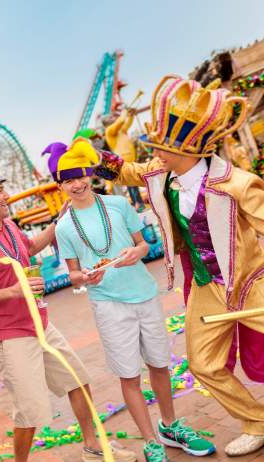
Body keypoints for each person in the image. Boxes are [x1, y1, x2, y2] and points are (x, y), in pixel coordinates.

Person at [95, 75, 264, 457]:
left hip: (251, 282)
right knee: (202, 364)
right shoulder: (162, 175)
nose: (155, 154)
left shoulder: (238, 184)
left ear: (187, 150)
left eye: (161, 148)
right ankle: (256, 421)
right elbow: (127, 171)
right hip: (207, 287)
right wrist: (95, 160)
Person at [44, 138, 215, 461]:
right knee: (129, 374)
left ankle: (170, 425)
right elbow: (74, 274)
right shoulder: (63, 227)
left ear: (90, 174)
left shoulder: (119, 205)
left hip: (144, 295)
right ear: (59, 186)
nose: (76, 184)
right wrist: (86, 277)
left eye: (79, 176)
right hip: (108, 305)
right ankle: (150, 440)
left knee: (160, 365)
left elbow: (143, 246)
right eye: (67, 180)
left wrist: (132, 253)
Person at [0, 167, 136, 462]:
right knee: (29, 412)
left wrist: (58, 222)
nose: (7, 196)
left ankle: (92, 447)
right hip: (8, 335)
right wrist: (15, 291)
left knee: (78, 379)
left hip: (39, 324)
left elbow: (31, 247)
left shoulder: (9, 226)